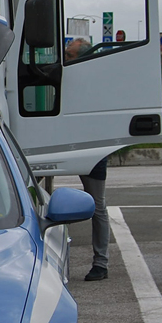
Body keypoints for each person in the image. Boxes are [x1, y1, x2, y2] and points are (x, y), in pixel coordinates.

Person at [65, 38, 109, 281]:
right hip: (55, 145)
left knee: (98, 206)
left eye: (70, 56)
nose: (65, 60)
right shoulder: (64, 78)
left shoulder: (95, 83)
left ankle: (101, 263)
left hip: (91, 149)